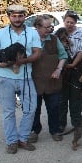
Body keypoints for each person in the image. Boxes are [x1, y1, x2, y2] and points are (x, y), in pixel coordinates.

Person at [0, 5, 42, 154]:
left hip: (26, 77)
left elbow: (37, 53)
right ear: (9, 16)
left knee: (30, 109)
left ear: (24, 16)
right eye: (14, 16)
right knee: (8, 112)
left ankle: (23, 138)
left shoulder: (32, 33)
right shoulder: (1, 33)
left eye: (20, 16)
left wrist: (23, 61)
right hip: (4, 78)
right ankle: (12, 142)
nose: (17, 19)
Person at [29, 15, 68, 143]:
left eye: (51, 27)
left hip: (53, 81)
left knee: (54, 108)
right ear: (37, 27)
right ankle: (34, 131)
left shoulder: (54, 39)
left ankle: (55, 130)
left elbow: (63, 56)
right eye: (46, 27)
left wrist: (58, 69)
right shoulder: (30, 40)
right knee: (34, 108)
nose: (49, 30)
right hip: (35, 81)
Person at [58, 10, 82, 133]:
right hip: (62, 68)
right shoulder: (58, 33)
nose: (69, 24)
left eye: (72, 22)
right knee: (62, 98)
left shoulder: (80, 33)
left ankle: (77, 123)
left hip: (76, 67)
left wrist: (74, 64)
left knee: (76, 97)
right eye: (67, 22)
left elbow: (81, 50)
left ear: (75, 23)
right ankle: (61, 124)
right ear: (64, 21)